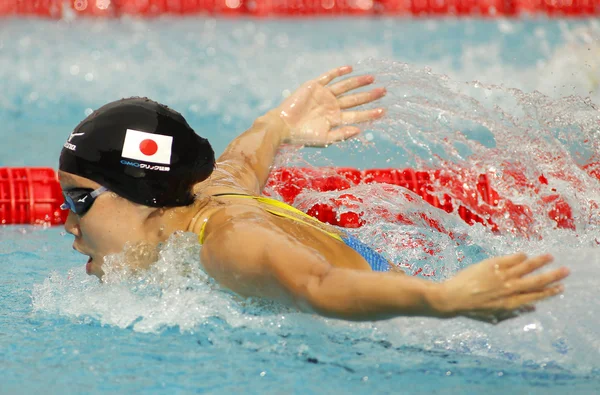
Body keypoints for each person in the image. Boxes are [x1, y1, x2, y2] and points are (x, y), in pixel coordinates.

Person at [58, 66, 569, 323]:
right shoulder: (212, 193)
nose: (68, 224)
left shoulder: (228, 243)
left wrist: (443, 299)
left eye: (80, 200)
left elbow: (318, 284)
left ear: (145, 196)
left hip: (447, 328)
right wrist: (278, 123)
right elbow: (245, 156)